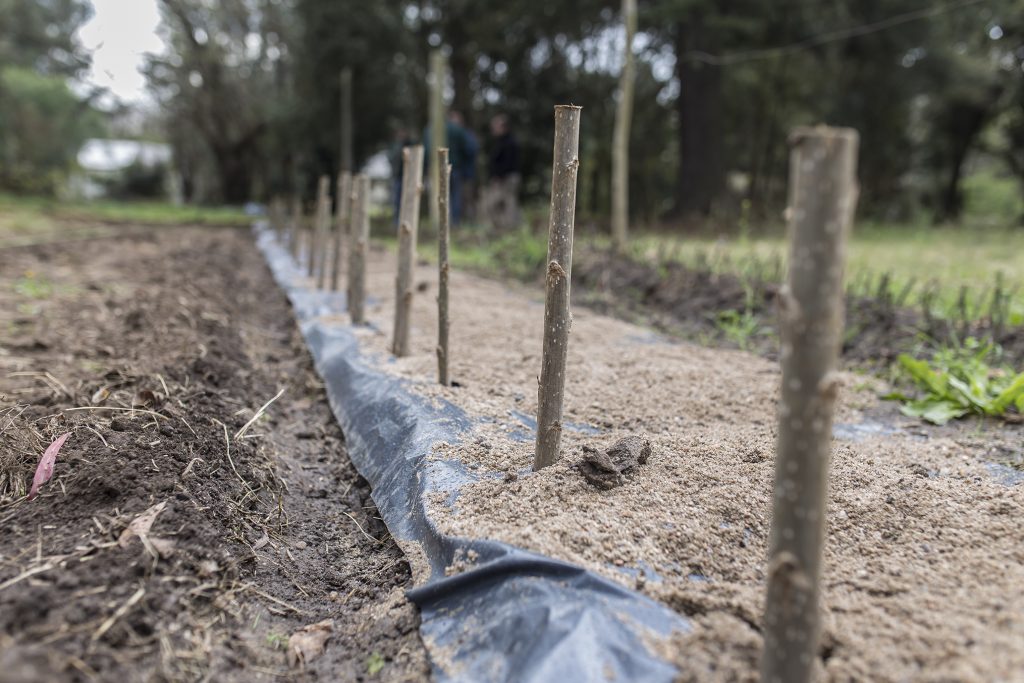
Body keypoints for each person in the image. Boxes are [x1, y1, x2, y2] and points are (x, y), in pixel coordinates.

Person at [423, 111, 475, 226]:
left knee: (439, 195)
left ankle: (438, 221)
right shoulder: (458, 130)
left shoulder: (429, 130)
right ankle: (454, 222)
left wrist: (427, 168)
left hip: (435, 168)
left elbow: (426, 151)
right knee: (455, 196)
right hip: (455, 167)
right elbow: (468, 149)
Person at [484, 114, 521, 232]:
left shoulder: (510, 143)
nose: (493, 129)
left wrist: (499, 176)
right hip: (502, 178)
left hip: (507, 178)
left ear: (503, 127)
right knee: (494, 204)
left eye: (495, 126)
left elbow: (508, 163)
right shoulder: (500, 142)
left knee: (508, 203)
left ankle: (509, 228)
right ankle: (501, 228)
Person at [388, 126, 416, 226]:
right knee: (397, 200)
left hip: (409, 177)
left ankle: (408, 220)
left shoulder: (411, 145)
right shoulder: (396, 146)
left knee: (408, 200)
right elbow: (391, 159)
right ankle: (396, 221)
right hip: (398, 176)